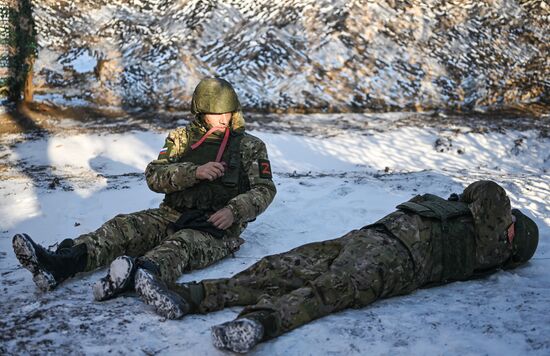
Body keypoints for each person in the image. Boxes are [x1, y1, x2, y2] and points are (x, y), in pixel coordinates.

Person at [133, 180, 538, 353]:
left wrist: (477, 208)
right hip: (368, 237)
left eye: (511, 224)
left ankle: (257, 324)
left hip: (396, 262)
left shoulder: (492, 238)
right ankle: (189, 297)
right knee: (279, 267)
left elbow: (485, 191)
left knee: (327, 292)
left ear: (510, 235)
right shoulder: (480, 227)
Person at [12, 77, 277, 310]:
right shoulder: (180, 139)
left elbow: (264, 188)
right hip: (171, 214)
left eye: (228, 113)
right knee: (121, 228)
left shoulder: (249, 146)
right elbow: (154, 175)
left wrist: (234, 211)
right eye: (214, 113)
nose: (222, 119)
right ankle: (60, 264)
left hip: (215, 229)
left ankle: (136, 276)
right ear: (200, 112)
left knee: (180, 245)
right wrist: (193, 172)